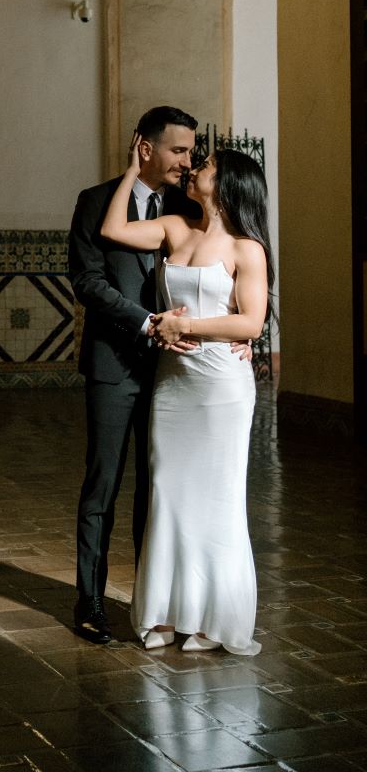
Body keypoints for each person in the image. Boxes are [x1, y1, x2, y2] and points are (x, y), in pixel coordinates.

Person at [100, 136, 273, 655]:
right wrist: (132, 171)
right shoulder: (176, 228)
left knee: (217, 499)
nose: (198, 167)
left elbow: (252, 320)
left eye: (210, 165)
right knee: (169, 492)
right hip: (174, 385)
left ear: (229, 185)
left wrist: (186, 325)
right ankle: (165, 613)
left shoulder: (248, 249)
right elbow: (112, 229)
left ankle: (208, 620)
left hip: (221, 386)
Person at [69, 105, 201, 643]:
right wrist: (148, 323)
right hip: (112, 365)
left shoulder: (189, 207)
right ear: (144, 147)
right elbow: (88, 282)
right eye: (178, 150)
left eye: (191, 151)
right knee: (103, 484)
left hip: (172, 372)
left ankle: (151, 603)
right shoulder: (96, 203)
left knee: (158, 489)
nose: (187, 162)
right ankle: (90, 602)